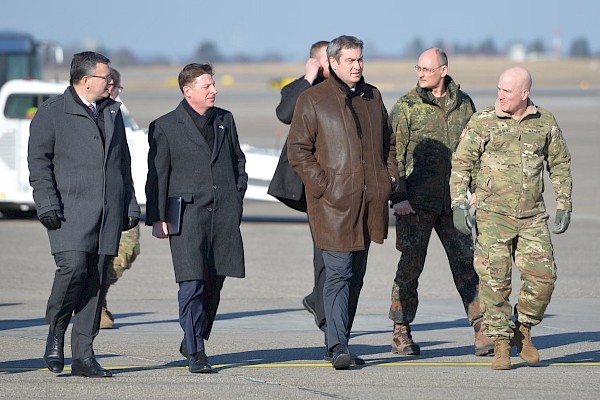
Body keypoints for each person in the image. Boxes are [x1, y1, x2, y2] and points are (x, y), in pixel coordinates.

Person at [287, 35, 399, 370]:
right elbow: (298, 150)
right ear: (333, 63)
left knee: (356, 277)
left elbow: (388, 143)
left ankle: (340, 342)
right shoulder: (313, 100)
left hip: (369, 205)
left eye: (360, 59)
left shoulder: (372, 96)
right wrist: (324, 186)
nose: (357, 66)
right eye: (350, 60)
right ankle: (337, 346)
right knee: (338, 274)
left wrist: (388, 178)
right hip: (333, 206)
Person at [450, 66, 572, 370]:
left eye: (507, 91)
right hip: (493, 215)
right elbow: (462, 163)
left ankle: (524, 328)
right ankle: (501, 343)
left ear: (524, 93)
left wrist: (565, 204)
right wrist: (458, 204)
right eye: (499, 89)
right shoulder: (484, 121)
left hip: (532, 216)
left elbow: (559, 164)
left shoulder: (545, 122)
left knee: (544, 278)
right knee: (494, 281)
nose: (500, 96)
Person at [28, 51, 140, 378]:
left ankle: (85, 356)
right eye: (106, 78)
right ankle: (56, 329)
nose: (111, 83)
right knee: (74, 268)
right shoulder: (52, 113)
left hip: (108, 212)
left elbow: (123, 165)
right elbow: (39, 164)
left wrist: (130, 204)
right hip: (68, 211)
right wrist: (46, 203)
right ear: (85, 80)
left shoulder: (113, 113)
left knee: (95, 279)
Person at [388, 48, 494, 357]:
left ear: (443, 70)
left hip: (455, 204)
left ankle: (482, 328)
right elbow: (394, 155)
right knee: (409, 268)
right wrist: (399, 197)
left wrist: (474, 191)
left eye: (426, 68)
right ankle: (401, 331)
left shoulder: (464, 105)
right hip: (415, 205)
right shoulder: (406, 107)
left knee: (467, 267)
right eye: (418, 68)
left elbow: (475, 151)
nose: (420, 73)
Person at [145, 63, 247, 374]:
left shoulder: (224, 120)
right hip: (186, 215)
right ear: (188, 91)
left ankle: (193, 337)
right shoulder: (164, 126)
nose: (214, 90)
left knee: (216, 280)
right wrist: (157, 218)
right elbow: (157, 176)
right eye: (207, 86)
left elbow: (237, 161)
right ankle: (197, 353)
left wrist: (236, 196)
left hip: (223, 216)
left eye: (213, 85)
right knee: (191, 283)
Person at [268, 40, 338, 353]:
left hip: (341, 185)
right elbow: (284, 113)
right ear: (313, 62)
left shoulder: (345, 88)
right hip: (313, 185)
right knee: (323, 254)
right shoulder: (303, 90)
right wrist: (308, 78)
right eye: (326, 60)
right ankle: (328, 325)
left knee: (334, 254)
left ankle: (318, 303)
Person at [100, 67, 141, 330]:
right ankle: (94, 303)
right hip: (92, 200)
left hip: (119, 196)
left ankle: (96, 295)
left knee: (128, 248)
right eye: (117, 87)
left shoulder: (115, 114)